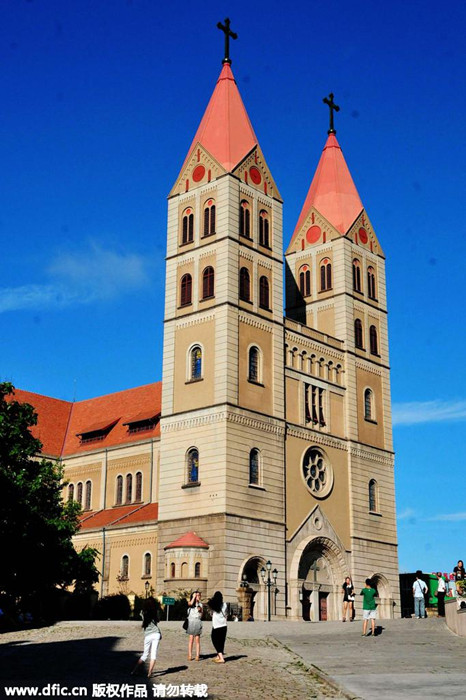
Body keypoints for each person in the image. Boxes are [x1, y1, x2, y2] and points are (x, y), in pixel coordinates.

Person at [131, 597, 162, 678]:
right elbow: (158, 620)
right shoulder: (156, 612)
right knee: (153, 654)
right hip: (156, 633)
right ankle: (149, 673)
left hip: (148, 635)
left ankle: (134, 671)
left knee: (145, 654)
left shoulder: (143, 612)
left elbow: (143, 620)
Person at [208, 591, 227, 663]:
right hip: (224, 625)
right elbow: (225, 613)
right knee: (221, 641)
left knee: (215, 640)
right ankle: (218, 656)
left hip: (216, 625)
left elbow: (211, 613)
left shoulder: (213, 605)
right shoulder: (225, 604)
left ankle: (221, 658)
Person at [186, 591, 203, 661]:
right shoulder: (190, 603)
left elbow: (201, 616)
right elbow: (190, 604)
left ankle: (197, 655)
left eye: (199, 595)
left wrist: (200, 610)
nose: (198, 596)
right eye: (196, 595)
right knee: (191, 640)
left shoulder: (200, 605)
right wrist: (193, 597)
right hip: (191, 621)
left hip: (197, 621)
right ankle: (190, 655)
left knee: (197, 640)